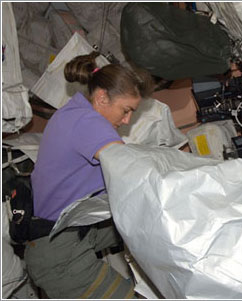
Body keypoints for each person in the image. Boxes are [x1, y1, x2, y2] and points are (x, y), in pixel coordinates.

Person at [24, 51, 152, 298]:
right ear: (102, 97)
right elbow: (130, 171)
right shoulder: (87, 122)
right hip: (60, 257)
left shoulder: (74, 113)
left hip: (72, 233)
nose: (127, 120)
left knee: (146, 225)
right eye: (125, 110)